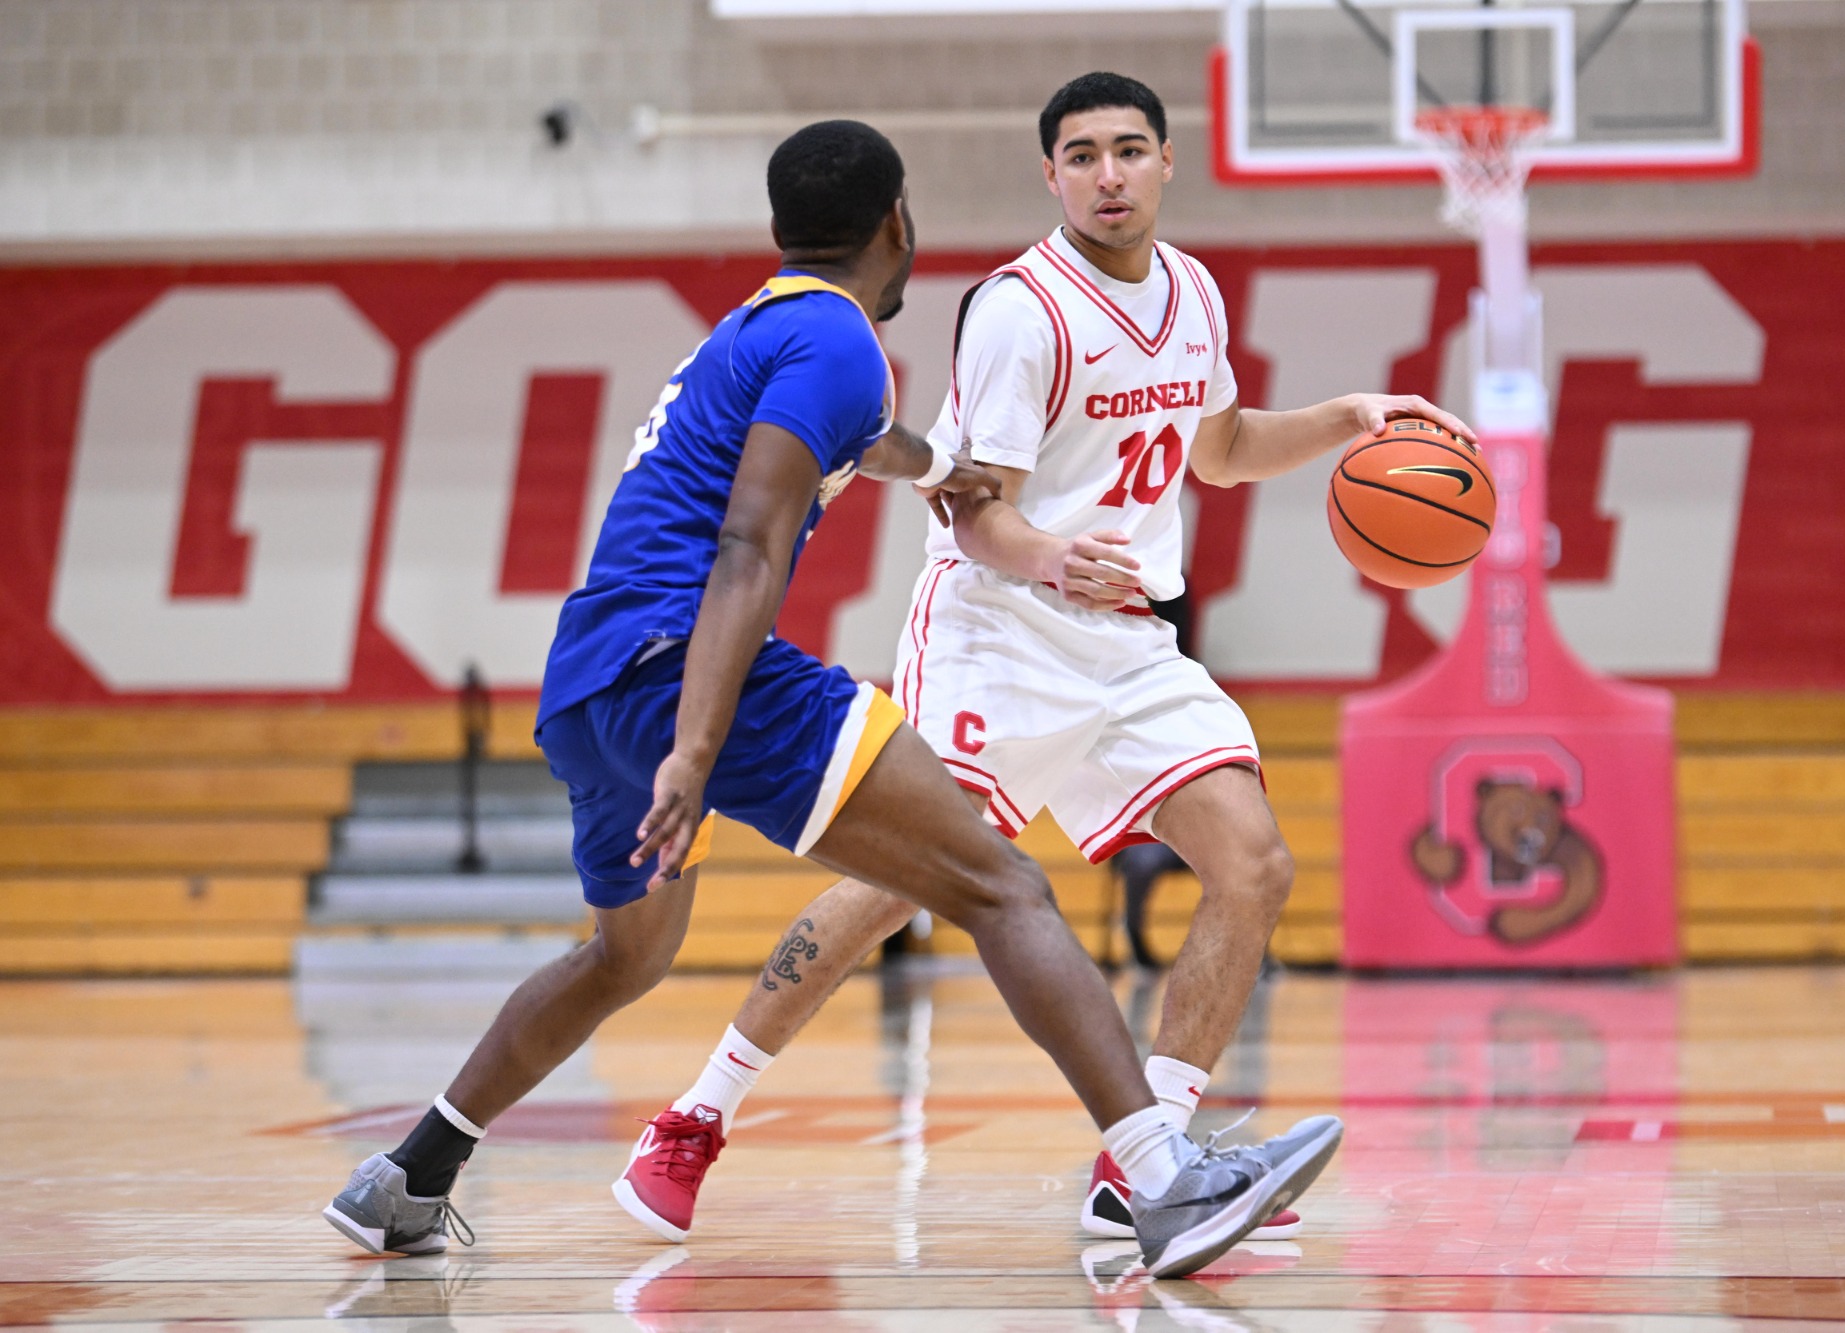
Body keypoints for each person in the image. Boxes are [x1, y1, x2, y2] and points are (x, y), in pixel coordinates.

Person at [319, 118, 1344, 1281]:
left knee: (622, 956)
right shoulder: (843, 340)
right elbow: (751, 546)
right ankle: (1158, 1179)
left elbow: (871, 442)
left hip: (586, 680)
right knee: (1002, 885)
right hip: (691, 667)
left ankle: (406, 1175)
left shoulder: (762, 329)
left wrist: (943, 469)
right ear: (897, 224)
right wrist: (694, 747)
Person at [630, 74, 1472, 1247]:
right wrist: (1049, 563)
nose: (1108, 175)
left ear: (1166, 162)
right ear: (1052, 176)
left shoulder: (1191, 292)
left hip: (1124, 640)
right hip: (995, 630)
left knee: (1255, 863)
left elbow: (1216, 451)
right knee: (895, 888)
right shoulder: (1022, 309)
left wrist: (1343, 420)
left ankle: (1148, 1162)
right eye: (1082, 156)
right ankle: (694, 1117)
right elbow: (975, 513)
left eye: (1129, 151)